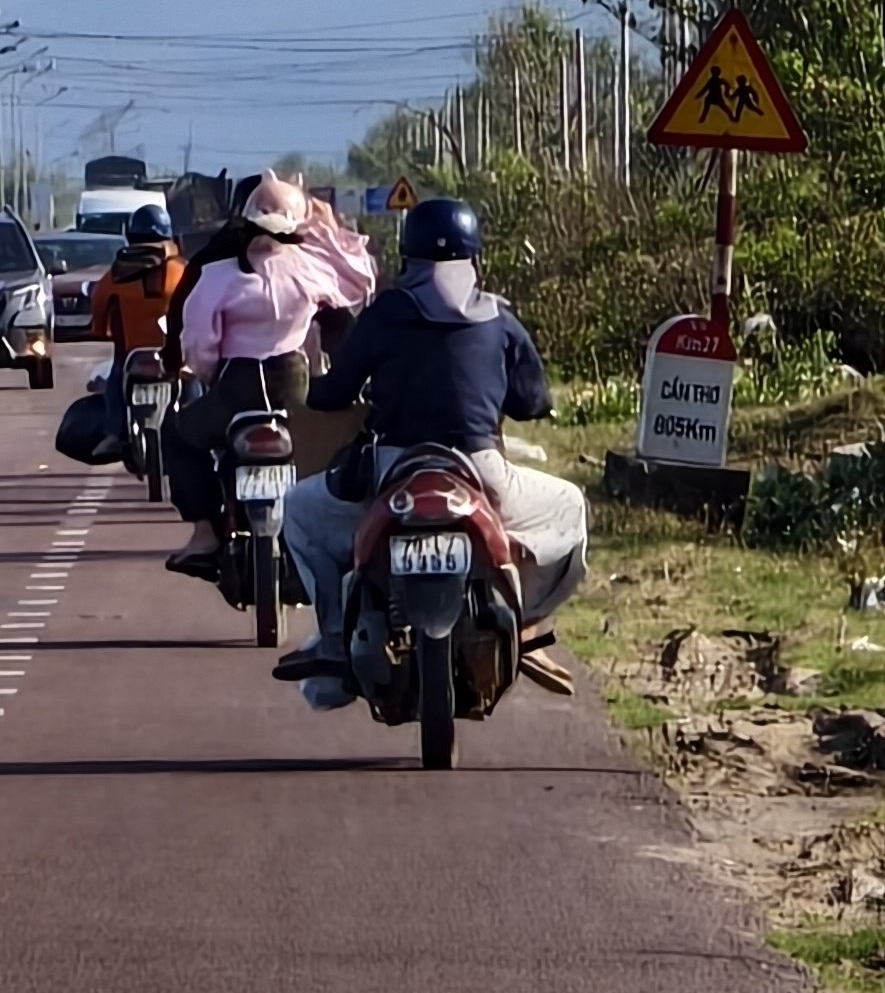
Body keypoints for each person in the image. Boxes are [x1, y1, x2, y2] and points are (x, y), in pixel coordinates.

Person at [273, 195, 589, 707]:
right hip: (483, 471)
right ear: (475, 256)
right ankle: (529, 626)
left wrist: (332, 387)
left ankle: (333, 636)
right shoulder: (499, 318)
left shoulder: (385, 314)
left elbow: (331, 396)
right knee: (570, 506)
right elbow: (533, 402)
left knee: (301, 509)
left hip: (393, 465)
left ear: (408, 256)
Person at [160, 172, 374, 573]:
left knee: (178, 434)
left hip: (237, 387)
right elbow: (359, 281)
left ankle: (205, 533)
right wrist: (325, 227)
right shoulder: (311, 270)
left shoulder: (216, 274)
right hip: (294, 384)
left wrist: (206, 374)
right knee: (326, 453)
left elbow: (200, 344)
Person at [87, 203, 186, 362]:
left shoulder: (116, 273)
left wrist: (100, 329)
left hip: (129, 358)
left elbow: (99, 305)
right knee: (193, 381)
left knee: (116, 377)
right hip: (175, 358)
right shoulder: (182, 270)